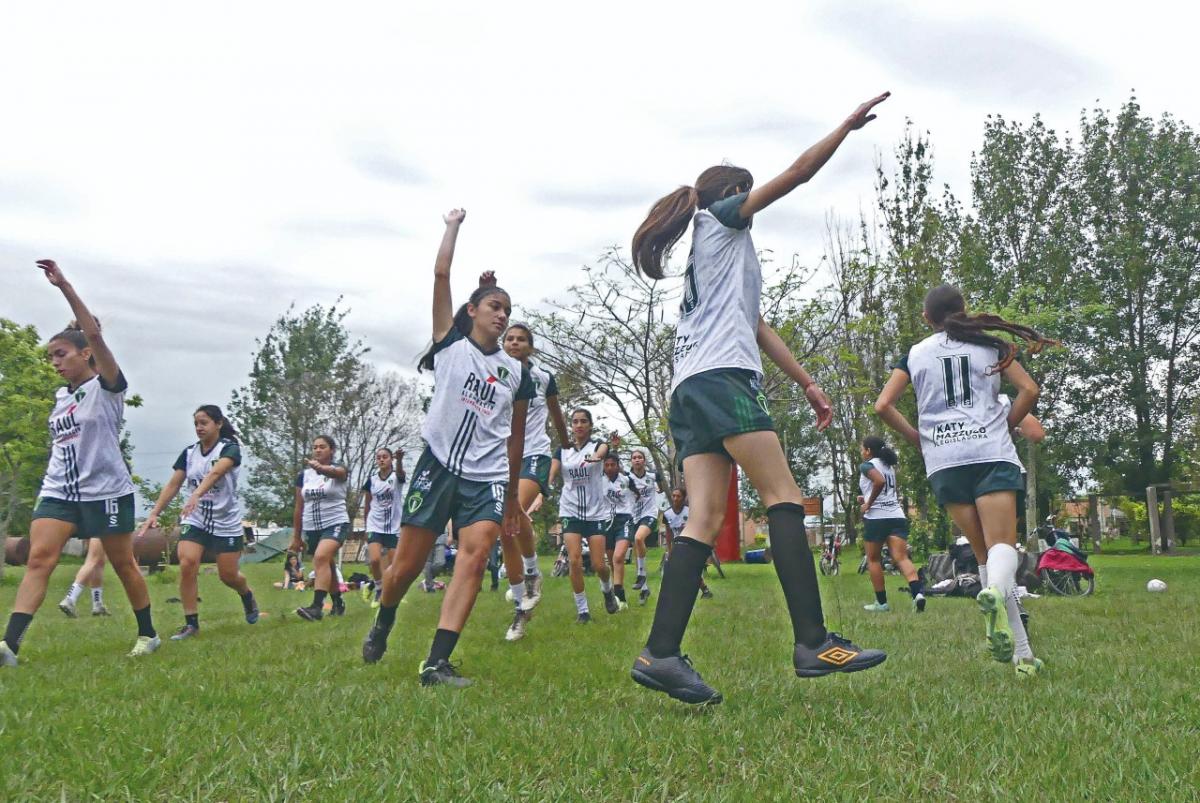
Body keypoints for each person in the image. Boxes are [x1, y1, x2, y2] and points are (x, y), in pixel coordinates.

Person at [627, 95, 891, 703]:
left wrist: (807, 382)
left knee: (703, 518)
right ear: (733, 194)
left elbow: (756, 325)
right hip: (723, 381)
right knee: (784, 497)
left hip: (689, 389)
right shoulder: (721, 219)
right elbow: (798, 173)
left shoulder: (708, 255)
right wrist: (845, 129)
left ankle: (661, 653)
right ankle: (813, 641)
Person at [361, 208, 534, 687]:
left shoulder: (516, 374)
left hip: (487, 477)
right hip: (437, 467)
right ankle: (384, 620)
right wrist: (452, 225)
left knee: (474, 555)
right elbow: (441, 273)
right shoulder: (449, 346)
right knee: (405, 568)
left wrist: (513, 501)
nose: (502, 315)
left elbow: (514, 437)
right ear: (473, 312)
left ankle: (436, 663)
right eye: (494, 306)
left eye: (508, 309)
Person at [875, 283, 1055, 678]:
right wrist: (1005, 426)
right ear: (964, 310)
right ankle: (994, 595)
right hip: (989, 454)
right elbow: (1029, 390)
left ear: (927, 319)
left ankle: (1022, 657)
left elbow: (883, 405)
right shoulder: (988, 346)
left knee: (983, 556)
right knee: (1003, 547)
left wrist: (920, 440)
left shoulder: (914, 354)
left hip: (945, 461)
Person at [2, 259, 159, 667]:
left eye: (61, 354)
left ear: (85, 354)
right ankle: (9, 647)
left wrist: (65, 287)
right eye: (50, 356)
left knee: (123, 564)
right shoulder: (60, 398)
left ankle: (148, 633)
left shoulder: (107, 388)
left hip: (106, 491)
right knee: (39, 559)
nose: (54, 362)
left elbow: (91, 331)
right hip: (59, 490)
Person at [138, 405, 260, 638]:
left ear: (218, 424)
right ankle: (191, 623)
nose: (199, 428)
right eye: (196, 423)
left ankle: (246, 594)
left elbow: (216, 473)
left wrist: (196, 493)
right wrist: (154, 513)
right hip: (196, 519)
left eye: (204, 423)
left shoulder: (230, 449)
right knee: (187, 564)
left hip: (225, 521)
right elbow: (173, 484)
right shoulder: (189, 453)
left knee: (228, 576)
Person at [500, 320, 569, 641]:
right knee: (503, 529)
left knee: (512, 513)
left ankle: (531, 573)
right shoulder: (495, 374)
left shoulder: (543, 378)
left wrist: (566, 443)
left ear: (531, 346)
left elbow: (556, 415)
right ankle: (520, 608)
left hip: (534, 455)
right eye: (509, 339)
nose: (514, 343)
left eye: (521, 339)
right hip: (499, 458)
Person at [549, 410, 620, 623]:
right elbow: (552, 474)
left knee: (599, 565)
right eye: (575, 422)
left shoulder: (597, 445)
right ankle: (583, 611)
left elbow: (604, 449)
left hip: (595, 512)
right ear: (571, 426)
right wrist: (544, 488)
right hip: (570, 511)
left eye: (583, 421)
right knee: (574, 560)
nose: (579, 425)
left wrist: (597, 457)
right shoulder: (562, 450)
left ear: (590, 425)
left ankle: (607, 590)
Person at [856, 435, 925, 613]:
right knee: (901, 558)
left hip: (877, 518)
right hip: (896, 516)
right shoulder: (888, 466)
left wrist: (868, 504)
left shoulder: (867, 465)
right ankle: (917, 594)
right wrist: (865, 498)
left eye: (862, 448)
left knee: (873, 559)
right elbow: (883, 488)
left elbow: (879, 482)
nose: (861, 452)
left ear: (869, 451)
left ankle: (881, 603)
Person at [289, 435, 350, 621]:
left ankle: (316, 607)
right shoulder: (304, 475)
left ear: (332, 450)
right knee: (327, 564)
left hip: (336, 522)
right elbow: (299, 507)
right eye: (315, 447)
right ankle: (338, 602)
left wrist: (321, 468)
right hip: (312, 526)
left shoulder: (339, 470)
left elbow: (339, 474)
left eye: (322, 447)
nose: (317, 450)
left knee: (321, 557)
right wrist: (297, 537)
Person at [360, 447, 405, 608]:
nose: (381, 460)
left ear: (390, 459)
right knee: (374, 559)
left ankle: (389, 592)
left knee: (394, 566)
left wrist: (399, 460)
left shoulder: (396, 477)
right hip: (375, 524)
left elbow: (401, 475)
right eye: (378, 457)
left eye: (385, 457)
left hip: (393, 527)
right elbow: (367, 505)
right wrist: (366, 527)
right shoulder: (371, 480)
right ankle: (379, 588)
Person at [628, 449, 665, 605]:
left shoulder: (652, 476)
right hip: (633, 516)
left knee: (638, 538)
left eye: (640, 457)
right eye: (634, 458)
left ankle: (641, 575)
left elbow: (662, 488)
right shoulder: (627, 478)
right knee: (637, 548)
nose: (637, 460)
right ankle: (644, 589)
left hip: (649, 514)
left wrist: (659, 488)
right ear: (631, 461)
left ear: (644, 460)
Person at [602, 453, 638, 610]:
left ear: (618, 466)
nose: (610, 468)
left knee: (618, 557)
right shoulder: (599, 480)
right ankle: (620, 597)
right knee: (611, 562)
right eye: (607, 465)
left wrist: (633, 507)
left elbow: (637, 493)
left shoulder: (626, 479)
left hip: (624, 520)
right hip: (606, 521)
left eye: (613, 465)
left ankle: (617, 595)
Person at [662, 489, 711, 598]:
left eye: (678, 496)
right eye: (673, 496)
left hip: (690, 544)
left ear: (683, 498)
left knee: (688, 569)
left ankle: (703, 590)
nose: (675, 498)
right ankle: (704, 590)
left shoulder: (690, 512)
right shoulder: (667, 514)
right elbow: (668, 533)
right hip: (677, 545)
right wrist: (669, 550)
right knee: (678, 569)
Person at [58, 537, 110, 617]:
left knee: (99, 561)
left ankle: (97, 604)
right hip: (103, 525)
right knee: (93, 559)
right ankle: (70, 599)